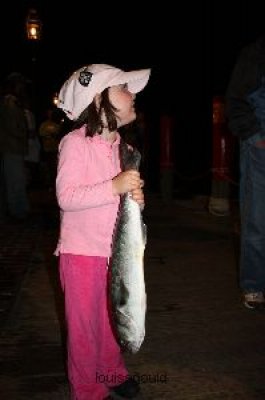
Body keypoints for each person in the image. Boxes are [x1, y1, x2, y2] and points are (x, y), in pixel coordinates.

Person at [55, 64, 151, 399]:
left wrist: (134, 199)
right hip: (80, 254)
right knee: (84, 328)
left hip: (114, 253)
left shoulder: (120, 147)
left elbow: (117, 200)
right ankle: (88, 389)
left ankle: (110, 371)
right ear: (99, 101)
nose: (133, 94)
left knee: (113, 317)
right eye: (124, 88)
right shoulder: (74, 144)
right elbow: (66, 198)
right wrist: (114, 185)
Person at [225, 34, 265, 310]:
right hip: (259, 149)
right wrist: (255, 137)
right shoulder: (254, 53)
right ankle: (253, 285)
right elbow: (235, 102)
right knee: (256, 218)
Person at [0, 72, 30, 221]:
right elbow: (13, 127)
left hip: (13, 147)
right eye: (20, 84)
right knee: (15, 181)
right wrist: (24, 134)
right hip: (11, 147)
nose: (22, 87)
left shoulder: (12, 101)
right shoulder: (10, 102)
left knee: (17, 180)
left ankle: (18, 209)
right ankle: (17, 211)